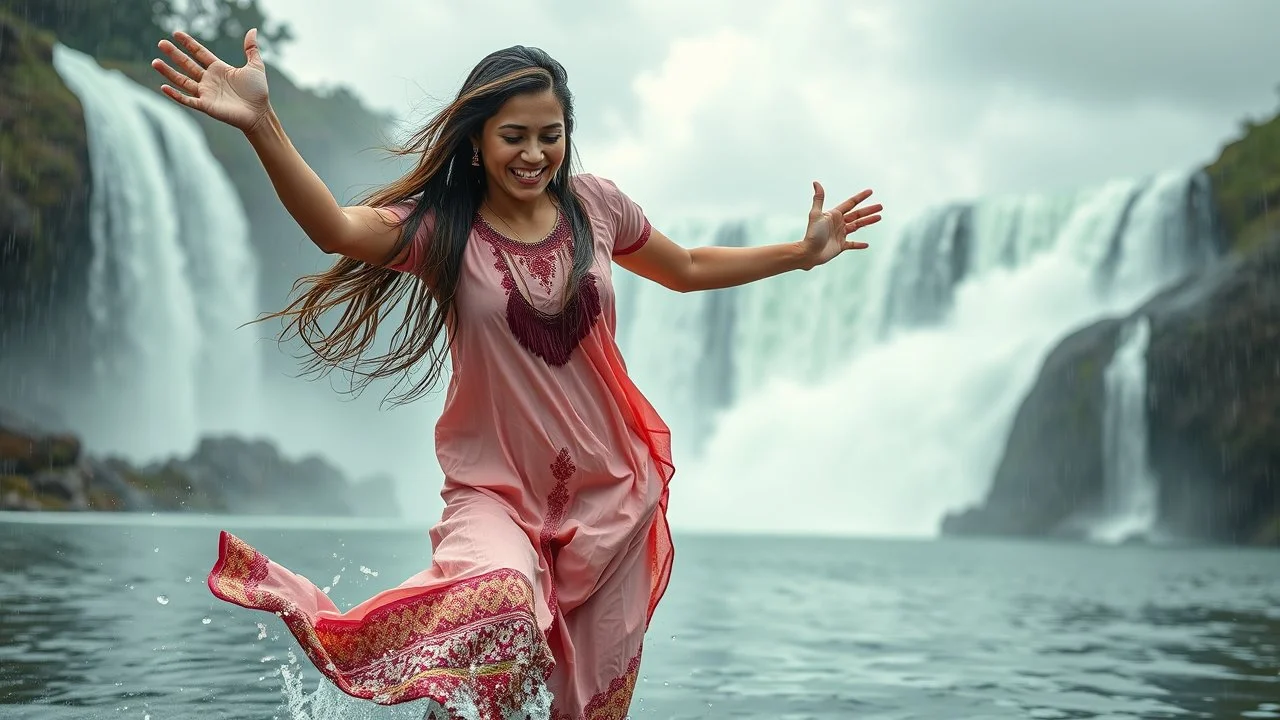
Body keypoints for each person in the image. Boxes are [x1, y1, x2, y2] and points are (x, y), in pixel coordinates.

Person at [152, 26, 882, 720]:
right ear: (475, 143)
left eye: (550, 135)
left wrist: (798, 251)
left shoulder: (599, 206)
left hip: (610, 499)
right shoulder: (442, 230)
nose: (534, 154)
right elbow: (336, 229)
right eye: (514, 136)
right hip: (494, 493)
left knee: (584, 706)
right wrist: (261, 125)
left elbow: (686, 268)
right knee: (498, 605)